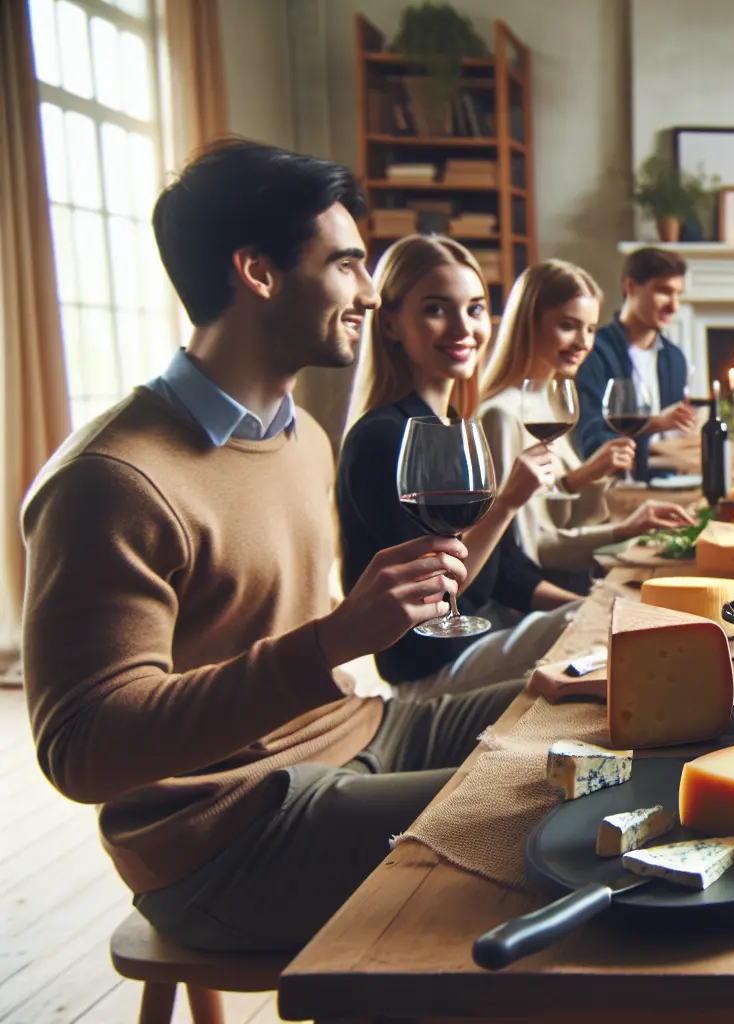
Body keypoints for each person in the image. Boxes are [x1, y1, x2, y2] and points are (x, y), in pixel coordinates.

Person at [20, 139, 526, 952]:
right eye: (348, 265)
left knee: (587, 723)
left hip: (361, 736)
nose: (370, 293)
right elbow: (82, 750)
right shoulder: (112, 479)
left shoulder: (305, 440)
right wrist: (329, 641)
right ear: (257, 272)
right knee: (544, 800)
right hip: (226, 837)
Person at [339, 235, 582, 697]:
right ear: (390, 324)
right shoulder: (383, 438)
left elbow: (511, 574)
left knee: (598, 620)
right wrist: (507, 502)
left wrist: (591, 605)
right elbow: (441, 593)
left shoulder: (457, 429)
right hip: (430, 670)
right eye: (436, 309)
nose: (462, 327)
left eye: (473, 309)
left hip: (479, 644)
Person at [478, 259, 695, 581]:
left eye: (591, 329)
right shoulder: (503, 415)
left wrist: (595, 484)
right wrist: (623, 529)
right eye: (568, 326)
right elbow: (532, 550)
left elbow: (559, 519)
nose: (584, 342)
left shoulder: (550, 404)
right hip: (538, 596)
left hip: (569, 572)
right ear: (529, 322)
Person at [572, 247, 701, 479]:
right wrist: (654, 424)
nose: (674, 306)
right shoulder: (592, 352)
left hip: (667, 485)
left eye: (678, 295)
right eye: (663, 291)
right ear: (631, 287)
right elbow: (589, 439)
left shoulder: (675, 359)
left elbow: (672, 443)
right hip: (611, 490)